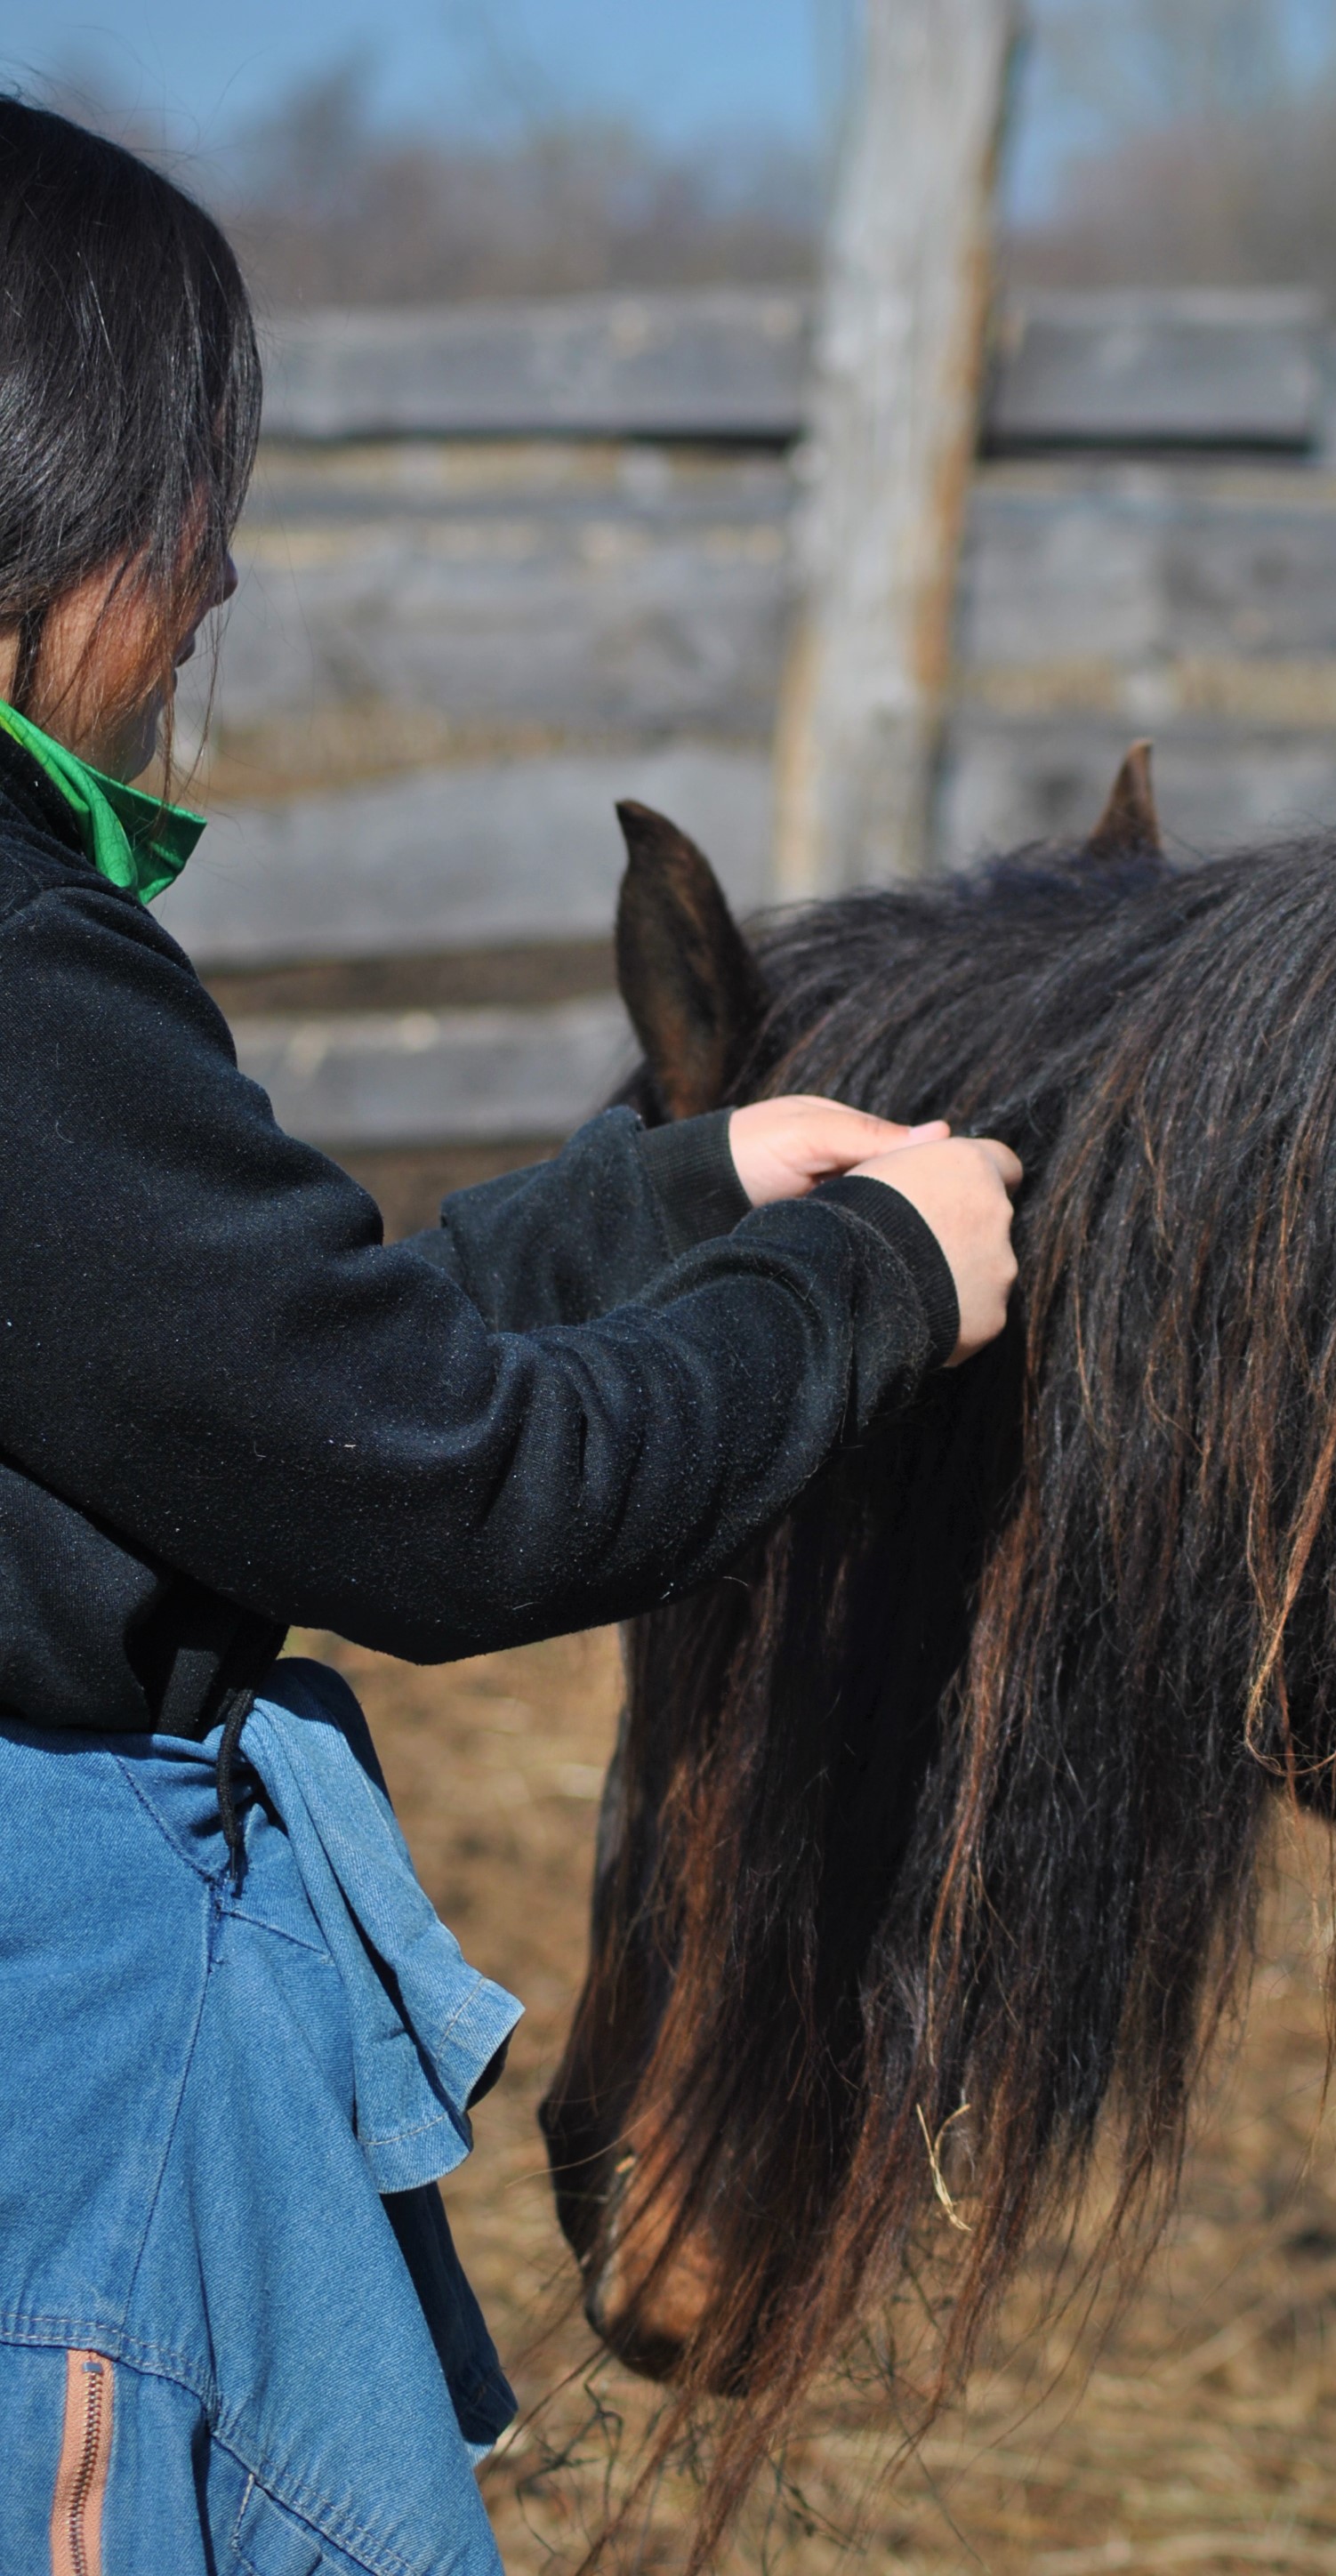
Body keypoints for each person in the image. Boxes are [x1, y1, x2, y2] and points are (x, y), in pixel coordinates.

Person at [0, 100, 1020, 2576]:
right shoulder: (25, 984)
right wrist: (877, 1285)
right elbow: (446, 1491)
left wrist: (684, 1194)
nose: (215, 572)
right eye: (176, 495)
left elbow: (238, 1386)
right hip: (79, 2013)